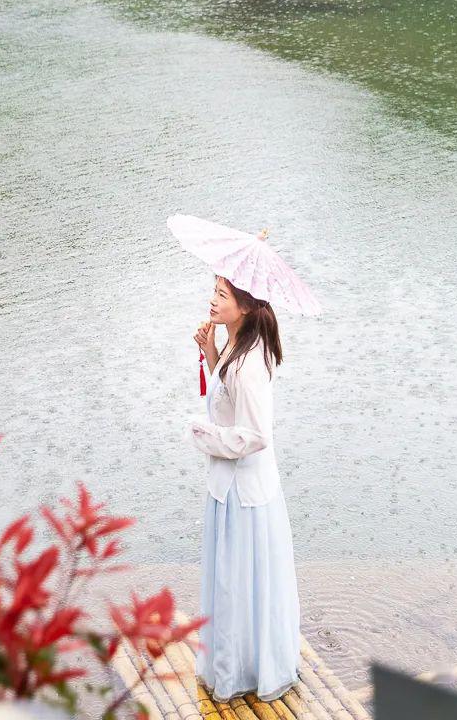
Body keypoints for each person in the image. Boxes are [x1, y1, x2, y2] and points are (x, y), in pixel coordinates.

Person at [186, 274, 301, 702]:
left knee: (239, 582)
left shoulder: (251, 362)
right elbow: (226, 396)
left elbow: (255, 434)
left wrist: (204, 436)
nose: (212, 300)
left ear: (247, 307)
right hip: (229, 486)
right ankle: (240, 662)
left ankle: (244, 669)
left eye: (222, 294)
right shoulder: (235, 347)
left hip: (244, 491)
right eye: (214, 291)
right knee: (235, 580)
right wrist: (210, 350)